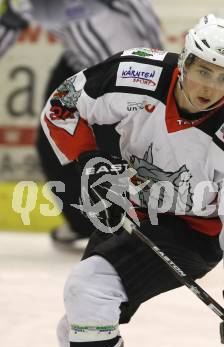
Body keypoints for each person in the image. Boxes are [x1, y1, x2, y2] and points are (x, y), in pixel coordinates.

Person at [41, 14, 224, 347]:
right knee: (80, 324)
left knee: (89, 290)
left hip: (193, 234)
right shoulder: (134, 74)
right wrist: (90, 165)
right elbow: (63, 106)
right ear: (185, 62)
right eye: (204, 71)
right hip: (129, 206)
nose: (211, 87)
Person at [0, 0, 162, 244]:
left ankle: (134, 225)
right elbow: (10, 25)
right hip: (77, 69)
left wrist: (159, 69)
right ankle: (82, 223)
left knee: (119, 150)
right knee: (53, 143)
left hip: (124, 77)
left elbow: (141, 14)